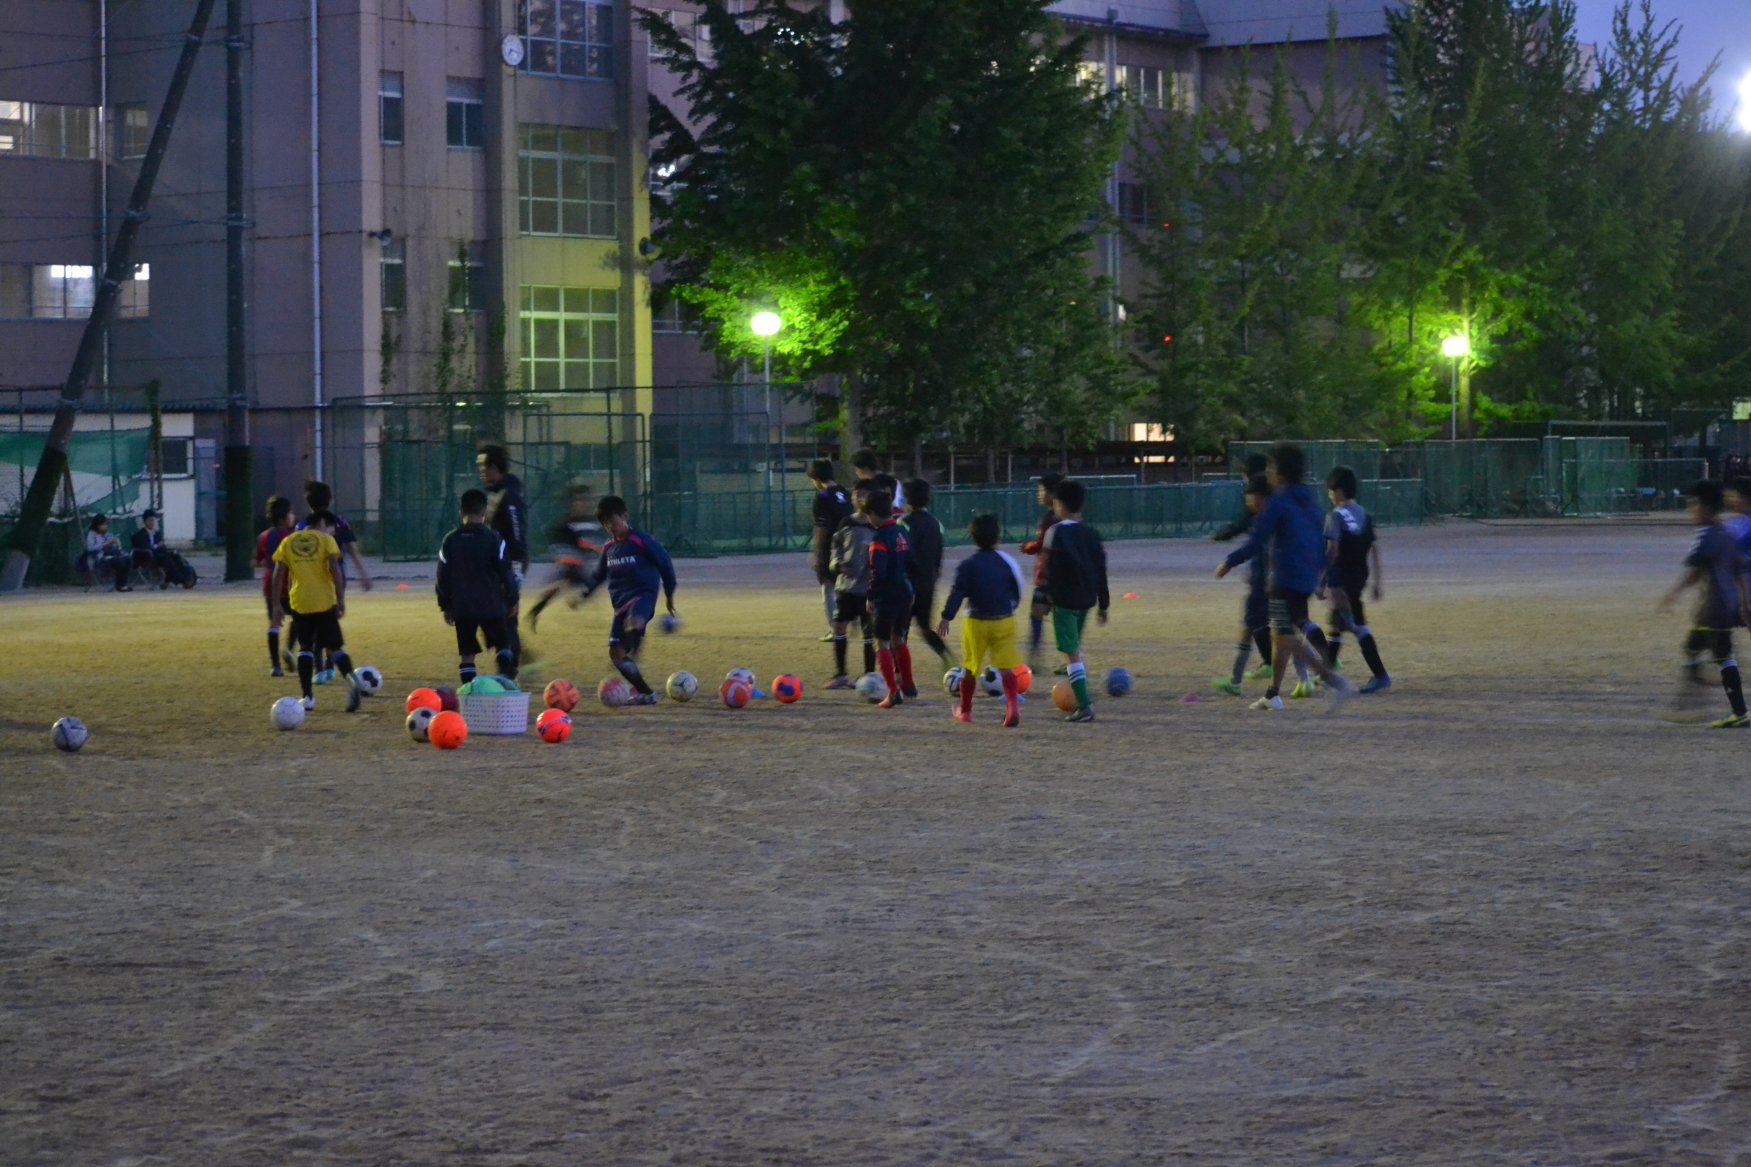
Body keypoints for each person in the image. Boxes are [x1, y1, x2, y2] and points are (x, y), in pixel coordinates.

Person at [1216, 444, 1357, 712]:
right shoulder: (1310, 499)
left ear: (1280, 472)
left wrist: (1230, 561)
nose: (1268, 472)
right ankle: (1272, 695)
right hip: (1304, 576)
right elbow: (1319, 539)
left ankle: (1335, 682)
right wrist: (1318, 573)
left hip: (1284, 577)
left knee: (1284, 637)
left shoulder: (1279, 500)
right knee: (1283, 633)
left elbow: (1258, 538)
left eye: (1271, 467)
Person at [1658, 480, 1751, 728]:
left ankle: (1738, 712)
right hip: (1721, 607)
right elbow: (1740, 568)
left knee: (1724, 657)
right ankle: (1693, 699)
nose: (1692, 512)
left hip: (1715, 609)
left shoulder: (1706, 534)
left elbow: (1694, 573)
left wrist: (1673, 595)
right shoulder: (1726, 532)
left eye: (1693, 506)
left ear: (1707, 509)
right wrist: (1743, 603)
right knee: (1691, 648)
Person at [575, 495, 677, 705]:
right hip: (620, 605)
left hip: (642, 595)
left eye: (612, 521)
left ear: (625, 516)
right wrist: (584, 595)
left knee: (635, 621)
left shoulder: (640, 540)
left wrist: (669, 594)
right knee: (616, 654)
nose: (609, 527)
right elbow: (599, 576)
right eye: (605, 524)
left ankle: (632, 644)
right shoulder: (609, 548)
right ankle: (646, 693)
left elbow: (665, 563)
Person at [937, 512, 1026, 727]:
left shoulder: (967, 565)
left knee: (970, 669)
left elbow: (958, 592)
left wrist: (946, 617)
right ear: (998, 537)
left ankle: (966, 711)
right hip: (1004, 619)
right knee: (1006, 668)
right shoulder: (1006, 562)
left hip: (976, 621)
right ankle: (1012, 707)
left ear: (973, 538)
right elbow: (1018, 587)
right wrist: (1011, 607)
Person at [271, 510, 362, 712]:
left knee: (305, 648)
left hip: (300, 602)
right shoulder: (326, 540)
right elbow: (335, 570)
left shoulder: (288, 541)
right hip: (324, 602)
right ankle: (352, 682)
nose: (332, 531)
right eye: (331, 527)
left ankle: (308, 697)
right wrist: (341, 599)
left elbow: (278, 574)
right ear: (322, 522)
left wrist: (277, 604)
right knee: (336, 647)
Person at [1042, 479, 1110, 723]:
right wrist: (1104, 604)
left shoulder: (1055, 532)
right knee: (1074, 649)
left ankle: (1084, 705)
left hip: (1064, 601)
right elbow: (1101, 570)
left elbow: (1048, 569)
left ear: (1058, 504)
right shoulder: (1092, 534)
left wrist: (1044, 599)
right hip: (1086, 599)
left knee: (1072, 654)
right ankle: (1078, 693)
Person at [437, 489, 521, 685]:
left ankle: (469, 692)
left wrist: (446, 605)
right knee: (502, 646)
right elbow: (506, 571)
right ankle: (507, 683)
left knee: (467, 655)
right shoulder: (494, 538)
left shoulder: (450, 540)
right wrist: (512, 598)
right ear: (484, 511)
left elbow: (442, 577)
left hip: (463, 608)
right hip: (492, 605)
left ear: (461, 512)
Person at [1322, 466, 1392, 693]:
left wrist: (1321, 579)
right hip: (1359, 576)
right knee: (1336, 624)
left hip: (1340, 578)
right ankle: (1325, 674)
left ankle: (1380, 675)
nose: (1329, 495)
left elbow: (1333, 550)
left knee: (1354, 624)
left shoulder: (1334, 516)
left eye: (1331, 491)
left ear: (1339, 491)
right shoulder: (1364, 514)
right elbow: (1375, 549)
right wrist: (1377, 582)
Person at [299, 481, 371, 681]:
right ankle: (329, 666)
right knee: (329, 620)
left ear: (308, 503)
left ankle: (320, 668)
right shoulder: (340, 522)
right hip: (337, 576)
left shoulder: (303, 525)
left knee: (314, 622)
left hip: (312, 578)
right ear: (330, 500)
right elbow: (352, 550)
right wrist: (363, 573)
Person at [477, 443, 530, 663]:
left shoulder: (509, 498)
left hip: (510, 564)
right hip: (493, 566)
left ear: (495, 467)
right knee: (488, 616)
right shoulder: (494, 495)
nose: (481, 470)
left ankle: (510, 672)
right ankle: (517, 658)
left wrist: (514, 572)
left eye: (483, 466)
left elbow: (517, 537)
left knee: (505, 616)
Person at [527, 484, 602, 630]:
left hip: (576, 564)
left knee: (564, 586)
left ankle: (536, 610)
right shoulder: (567, 523)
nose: (581, 504)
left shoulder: (586, 522)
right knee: (587, 584)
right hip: (571, 564)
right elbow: (578, 543)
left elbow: (586, 542)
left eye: (583, 501)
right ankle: (572, 602)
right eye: (577, 501)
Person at [825, 485, 878, 689]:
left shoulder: (877, 526)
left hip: (868, 589)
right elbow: (835, 546)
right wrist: (838, 565)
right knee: (840, 626)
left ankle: (869, 675)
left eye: (864, 494)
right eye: (857, 494)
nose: (860, 497)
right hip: (846, 587)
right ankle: (841, 674)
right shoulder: (846, 523)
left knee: (869, 632)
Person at [866, 488, 914, 709]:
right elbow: (911, 563)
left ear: (874, 515)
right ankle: (908, 684)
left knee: (882, 642)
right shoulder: (901, 533)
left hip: (887, 597)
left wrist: (872, 597)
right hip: (905, 593)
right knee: (899, 638)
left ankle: (893, 692)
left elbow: (878, 572)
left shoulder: (879, 539)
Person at [901, 478, 951, 667]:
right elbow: (939, 555)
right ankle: (947, 657)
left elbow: (903, 555)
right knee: (924, 627)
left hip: (907, 585)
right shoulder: (936, 524)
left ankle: (900, 672)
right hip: (927, 584)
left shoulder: (903, 523)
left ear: (906, 500)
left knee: (900, 631)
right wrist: (932, 576)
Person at [1019, 471, 1063, 671]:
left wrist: (1028, 547)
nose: (1039, 494)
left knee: (1037, 615)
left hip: (1047, 577)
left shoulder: (1049, 519)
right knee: (1061, 618)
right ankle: (1068, 658)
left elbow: (1043, 544)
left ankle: (1035, 657)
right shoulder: (1062, 516)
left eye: (1042, 490)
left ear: (1053, 494)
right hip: (1061, 578)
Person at [807, 459, 852, 641]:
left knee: (828, 587)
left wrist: (817, 554)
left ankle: (836, 629)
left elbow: (821, 528)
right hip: (849, 545)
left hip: (831, 547)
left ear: (817, 479)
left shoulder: (822, 496)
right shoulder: (845, 492)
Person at [253, 496, 296, 675]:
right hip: (290, 585)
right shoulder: (291, 537)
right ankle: (288, 648)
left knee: (274, 624)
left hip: (270, 586)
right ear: (284, 518)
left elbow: (255, 561)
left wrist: (265, 562)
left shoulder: (263, 536)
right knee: (299, 619)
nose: (293, 516)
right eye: (291, 513)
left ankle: (275, 666)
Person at [130, 508, 193, 588]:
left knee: (175, 556)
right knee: (165, 558)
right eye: (150, 520)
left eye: (153, 520)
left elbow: (162, 547)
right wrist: (157, 546)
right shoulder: (139, 535)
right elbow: (146, 548)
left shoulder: (157, 534)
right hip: (148, 558)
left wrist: (161, 547)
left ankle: (176, 578)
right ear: (145, 522)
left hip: (159, 555)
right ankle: (181, 580)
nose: (152, 523)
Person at [82, 515, 132, 592]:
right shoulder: (91, 534)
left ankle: (122, 584)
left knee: (127, 558)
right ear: (97, 525)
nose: (105, 526)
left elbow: (114, 546)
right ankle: (120, 585)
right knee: (117, 560)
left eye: (106, 524)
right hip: (99, 558)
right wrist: (106, 544)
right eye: (103, 525)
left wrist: (117, 544)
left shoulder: (108, 534)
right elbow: (91, 548)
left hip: (111, 555)